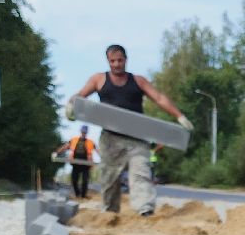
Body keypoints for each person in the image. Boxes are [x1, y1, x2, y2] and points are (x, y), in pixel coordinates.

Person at [70, 44, 191, 217]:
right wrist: (71, 105)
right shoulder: (99, 79)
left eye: (120, 60)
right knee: (109, 178)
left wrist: (179, 116)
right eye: (113, 61)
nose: (116, 64)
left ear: (125, 60)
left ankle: (145, 210)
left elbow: (159, 98)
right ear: (108, 61)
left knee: (140, 174)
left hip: (137, 137)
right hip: (110, 139)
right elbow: (80, 95)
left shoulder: (138, 81)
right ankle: (109, 213)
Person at [53, 127, 95, 198]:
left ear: (86, 133)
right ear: (80, 132)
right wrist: (57, 153)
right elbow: (65, 147)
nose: (83, 133)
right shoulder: (74, 140)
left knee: (85, 181)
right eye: (82, 132)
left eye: (85, 132)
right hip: (75, 164)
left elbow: (98, 150)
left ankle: (83, 196)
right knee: (74, 180)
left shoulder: (90, 142)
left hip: (86, 164)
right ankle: (77, 194)